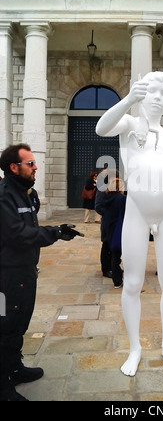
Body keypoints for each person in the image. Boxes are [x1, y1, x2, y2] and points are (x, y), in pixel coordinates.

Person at [96, 71, 163, 377]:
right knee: (133, 283)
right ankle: (135, 347)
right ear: (142, 94)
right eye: (151, 92)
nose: (157, 98)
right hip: (137, 211)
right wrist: (128, 100)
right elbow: (101, 128)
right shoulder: (128, 125)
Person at [0, 144, 83, 402]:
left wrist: (55, 230)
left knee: (19, 325)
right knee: (6, 328)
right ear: (14, 168)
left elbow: (29, 224)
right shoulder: (4, 197)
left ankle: (15, 368)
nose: (36, 167)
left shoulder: (25, 193)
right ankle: (3, 386)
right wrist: (54, 232)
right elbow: (17, 234)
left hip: (25, 272)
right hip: (8, 276)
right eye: (30, 164)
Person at [95, 175, 126, 288]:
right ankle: (109, 271)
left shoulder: (109, 195)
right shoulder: (118, 197)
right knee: (113, 251)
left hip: (110, 225)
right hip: (114, 227)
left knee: (112, 250)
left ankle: (114, 271)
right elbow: (98, 206)